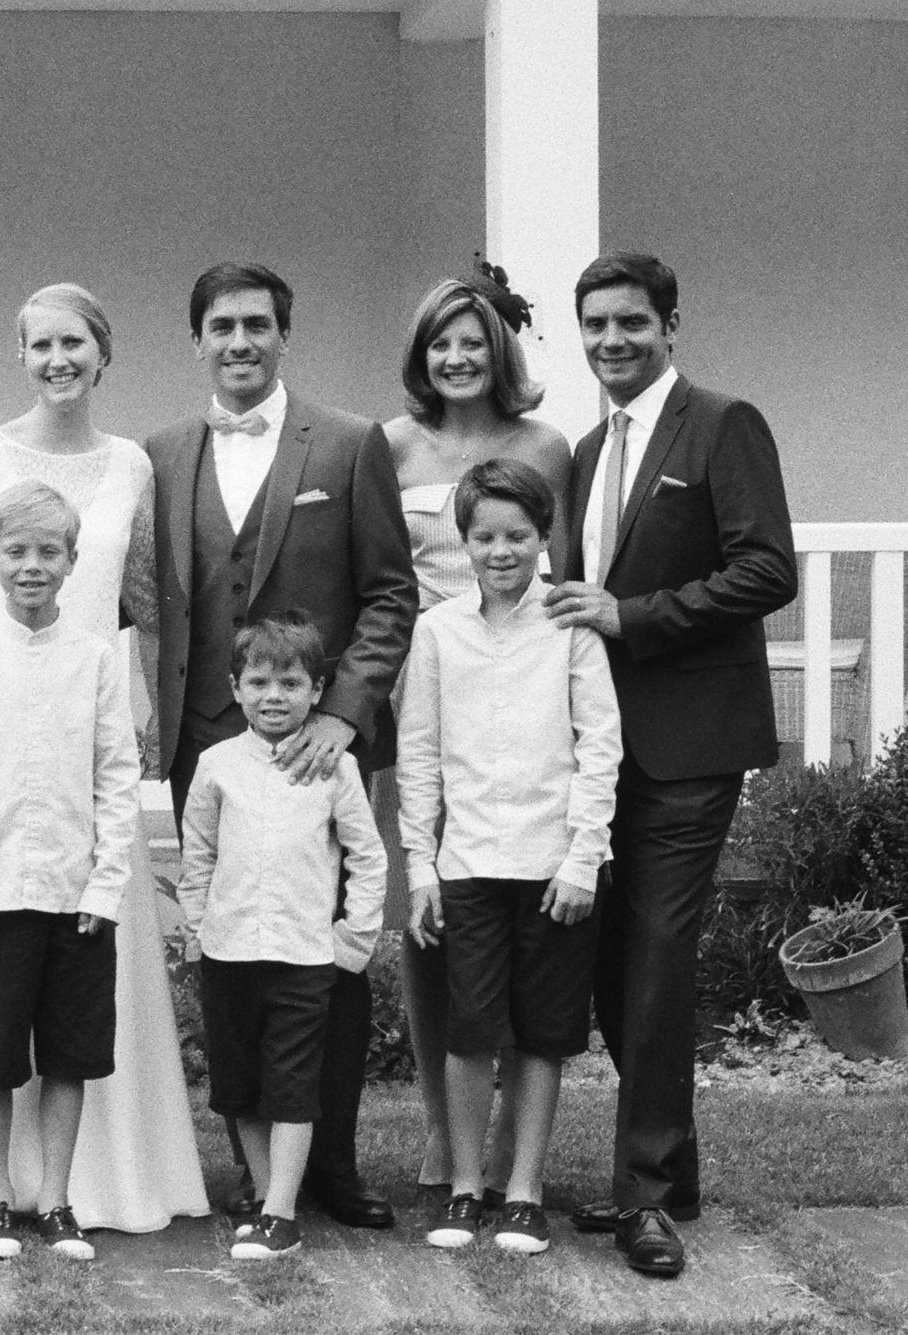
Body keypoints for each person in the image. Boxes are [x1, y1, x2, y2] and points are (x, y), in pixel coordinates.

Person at [0, 284, 207, 1234]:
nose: (57, 360)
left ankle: (94, 1183)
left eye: (74, 343)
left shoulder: (129, 467)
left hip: (84, 719)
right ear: (19, 353)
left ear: (102, 352)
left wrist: (147, 693)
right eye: (40, 345)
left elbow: (144, 597)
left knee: (81, 979)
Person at [144, 262, 416, 1228]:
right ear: (199, 339)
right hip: (208, 748)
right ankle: (257, 1172)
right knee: (231, 968)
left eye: (258, 324)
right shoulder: (164, 453)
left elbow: (391, 592)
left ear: (284, 334)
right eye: (221, 326)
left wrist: (343, 714)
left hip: (319, 751)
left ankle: (330, 1168)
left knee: (325, 966)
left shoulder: (347, 446)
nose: (240, 342)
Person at [545, 253, 797, 1278]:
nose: (611, 340)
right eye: (595, 324)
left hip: (691, 740)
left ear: (669, 324)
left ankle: (642, 1197)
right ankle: (675, 1169)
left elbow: (765, 567)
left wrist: (631, 615)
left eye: (630, 322)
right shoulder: (579, 448)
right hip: (601, 746)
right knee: (612, 962)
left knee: (652, 955)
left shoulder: (721, 423)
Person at [376, 267, 573, 1200]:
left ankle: (508, 1153)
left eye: (474, 341)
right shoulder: (392, 445)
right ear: (422, 356)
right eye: (440, 343)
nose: (457, 357)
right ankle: (445, 1132)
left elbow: (561, 569)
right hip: (423, 693)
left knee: (523, 928)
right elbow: (380, 579)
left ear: (502, 350)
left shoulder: (545, 443)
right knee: (430, 921)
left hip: (524, 696)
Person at [397, 460, 621, 1256]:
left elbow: (601, 746)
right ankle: (465, 1185)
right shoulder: (438, 631)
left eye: (517, 536)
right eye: (485, 536)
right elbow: (418, 752)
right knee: (468, 1030)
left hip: (553, 865)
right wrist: (420, 866)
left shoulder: (569, 627)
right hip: (467, 866)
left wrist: (583, 857)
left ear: (543, 538)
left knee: (542, 1033)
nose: (501, 551)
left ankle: (522, 1189)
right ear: (464, 542)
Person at [0, 482, 141, 1262]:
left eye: (50, 552)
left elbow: (117, 776)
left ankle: (55, 1199)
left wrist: (106, 883)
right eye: (15, 551)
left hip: (75, 893)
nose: (32, 565)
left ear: (74, 561)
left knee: (69, 1055)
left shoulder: (94, 657)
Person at [178, 614, 385, 1261]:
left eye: (290, 683)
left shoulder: (336, 767)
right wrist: (195, 932)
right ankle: (268, 1205)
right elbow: (197, 859)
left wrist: (352, 942)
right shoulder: (215, 767)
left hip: (304, 956)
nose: (274, 696)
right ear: (235, 689)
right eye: (259, 682)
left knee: (293, 1084)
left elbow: (369, 857)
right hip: (230, 952)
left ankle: (280, 1212)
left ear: (316, 691)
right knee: (239, 1085)